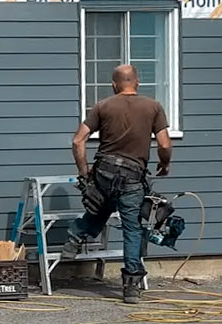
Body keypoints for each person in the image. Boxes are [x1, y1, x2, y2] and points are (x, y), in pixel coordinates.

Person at [63, 63, 173, 304]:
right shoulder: (153, 107)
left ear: (114, 85)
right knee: (132, 228)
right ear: (138, 82)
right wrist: (164, 165)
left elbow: (77, 141)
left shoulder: (102, 106)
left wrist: (84, 175)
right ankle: (131, 286)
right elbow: (164, 144)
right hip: (133, 177)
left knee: (100, 207)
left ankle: (76, 237)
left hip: (104, 172)